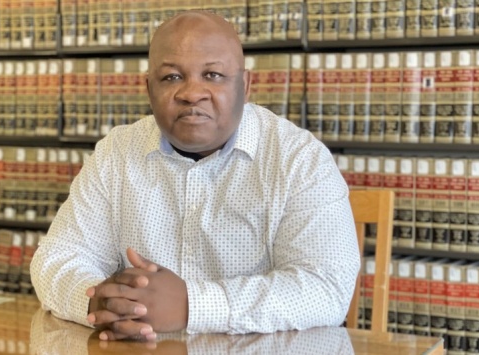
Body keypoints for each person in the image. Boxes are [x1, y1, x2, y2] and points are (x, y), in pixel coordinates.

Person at [30, 10, 359, 342]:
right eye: (172, 77)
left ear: (244, 86)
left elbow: (325, 289)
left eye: (213, 75)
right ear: (148, 88)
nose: (191, 92)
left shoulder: (299, 159)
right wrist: (99, 300)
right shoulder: (116, 153)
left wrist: (192, 306)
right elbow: (56, 259)